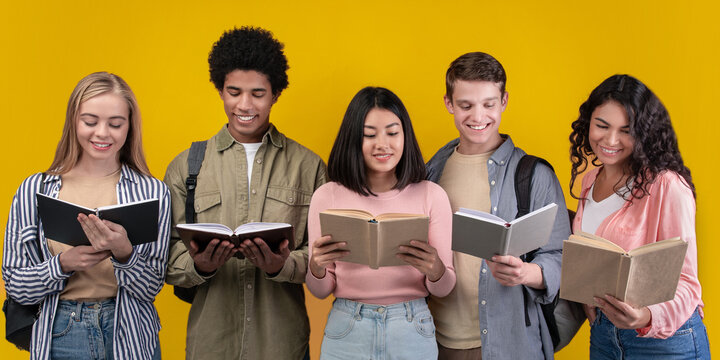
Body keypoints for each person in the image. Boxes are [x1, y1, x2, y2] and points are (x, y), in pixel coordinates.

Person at [164, 27, 327, 359]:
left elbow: (324, 257)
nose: (244, 105)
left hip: (281, 344)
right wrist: (200, 265)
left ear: (276, 93)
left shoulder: (308, 166)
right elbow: (164, 257)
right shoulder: (186, 167)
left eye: (258, 93)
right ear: (220, 90)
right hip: (211, 344)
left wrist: (284, 264)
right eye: (233, 91)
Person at [2, 72, 170, 359]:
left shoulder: (152, 192)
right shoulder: (35, 190)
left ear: (129, 127)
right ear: (73, 121)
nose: (102, 133)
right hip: (60, 332)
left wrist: (125, 254)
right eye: (90, 122)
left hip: (130, 332)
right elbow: (16, 285)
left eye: (115, 124)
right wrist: (62, 264)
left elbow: (152, 288)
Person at [425, 52, 571, 359]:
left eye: (489, 104)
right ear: (449, 103)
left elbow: (561, 256)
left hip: (508, 345)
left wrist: (526, 273)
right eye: (466, 105)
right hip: (432, 341)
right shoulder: (431, 170)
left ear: (504, 101)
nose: (478, 117)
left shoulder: (534, 175)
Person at [306, 86, 456, 359]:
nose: (382, 144)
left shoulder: (431, 195)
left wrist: (435, 269)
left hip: (412, 326)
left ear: (405, 136)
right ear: (353, 139)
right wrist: (316, 267)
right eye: (369, 135)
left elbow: (444, 288)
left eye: (392, 132)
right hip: (347, 327)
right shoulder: (326, 196)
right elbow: (320, 290)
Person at [569, 74, 710, 359]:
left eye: (626, 130)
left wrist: (645, 316)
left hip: (665, 342)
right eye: (602, 126)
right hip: (605, 336)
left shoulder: (667, 186)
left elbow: (688, 284)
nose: (610, 140)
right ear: (588, 123)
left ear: (643, 132)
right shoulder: (590, 180)